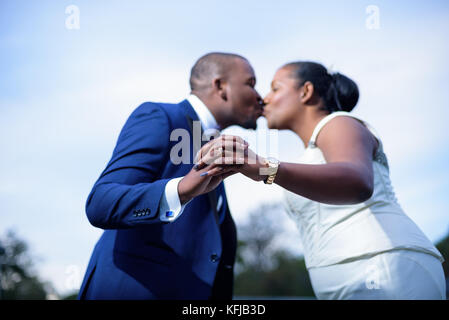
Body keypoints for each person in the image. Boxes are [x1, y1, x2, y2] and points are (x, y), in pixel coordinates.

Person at [196, 61, 446, 299]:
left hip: (386, 270)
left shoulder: (339, 123)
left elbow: (357, 182)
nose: (265, 98)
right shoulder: (308, 155)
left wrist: (264, 168)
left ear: (306, 91)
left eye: (275, 88)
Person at [78, 52, 264, 300]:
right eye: (251, 83)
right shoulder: (160, 117)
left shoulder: (209, 142)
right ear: (220, 86)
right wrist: (181, 190)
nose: (260, 96)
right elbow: (101, 203)